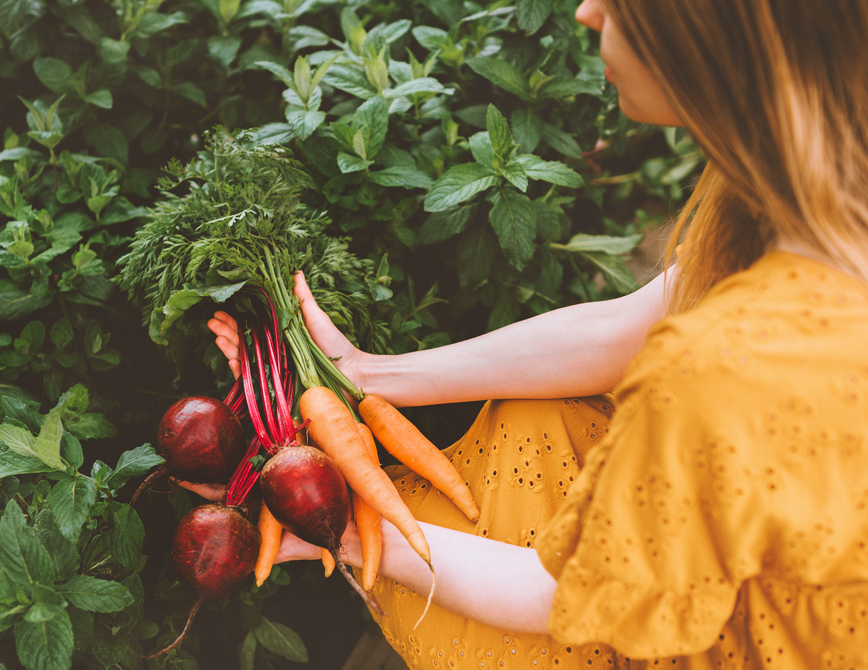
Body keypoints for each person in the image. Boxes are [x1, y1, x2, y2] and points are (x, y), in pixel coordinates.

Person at [203, 0, 868, 666]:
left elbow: (555, 593)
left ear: (717, 30)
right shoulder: (827, 168)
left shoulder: (720, 364)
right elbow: (625, 330)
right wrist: (364, 371)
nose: (586, 12)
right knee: (534, 421)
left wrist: (348, 528)